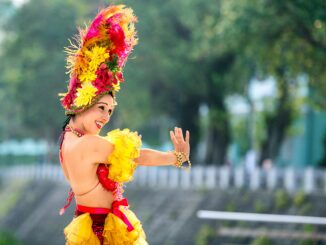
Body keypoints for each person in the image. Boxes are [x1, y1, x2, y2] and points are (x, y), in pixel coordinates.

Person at [58, 5, 191, 245]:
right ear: (84, 103)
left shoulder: (67, 139)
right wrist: (176, 158)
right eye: (101, 107)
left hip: (91, 227)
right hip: (105, 234)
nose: (106, 116)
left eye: (110, 110)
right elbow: (137, 156)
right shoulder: (88, 144)